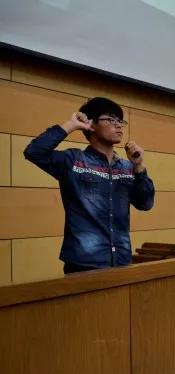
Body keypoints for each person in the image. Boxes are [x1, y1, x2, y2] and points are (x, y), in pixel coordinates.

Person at [23, 97, 155, 273]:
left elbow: (145, 203)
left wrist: (139, 167)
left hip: (122, 260)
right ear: (91, 125)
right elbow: (34, 152)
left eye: (120, 121)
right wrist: (71, 125)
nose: (119, 125)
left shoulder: (127, 167)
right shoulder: (73, 161)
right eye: (111, 120)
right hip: (84, 262)